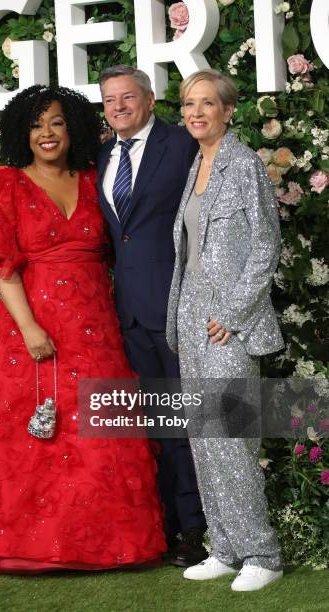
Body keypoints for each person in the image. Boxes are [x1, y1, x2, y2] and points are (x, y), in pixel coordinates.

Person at [0, 85, 166, 572]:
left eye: (56, 122)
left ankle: (101, 546)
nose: (46, 133)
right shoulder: (7, 186)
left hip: (96, 324)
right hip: (29, 325)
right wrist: (30, 327)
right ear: (21, 133)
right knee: (24, 436)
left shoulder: (98, 181)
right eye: (35, 125)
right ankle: (22, 547)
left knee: (100, 432)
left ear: (72, 128)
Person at [166, 69, 284, 591]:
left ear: (228, 110)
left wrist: (233, 315)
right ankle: (226, 547)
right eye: (189, 104)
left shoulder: (244, 166)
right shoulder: (197, 164)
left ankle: (263, 553)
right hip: (190, 315)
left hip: (227, 323)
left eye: (206, 104)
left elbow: (265, 247)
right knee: (203, 437)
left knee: (231, 436)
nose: (195, 113)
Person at [97, 65, 207, 567]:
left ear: (149, 100)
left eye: (127, 97)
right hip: (128, 314)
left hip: (177, 306)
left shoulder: (182, 145)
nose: (118, 107)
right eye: (109, 100)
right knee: (155, 423)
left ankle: (195, 529)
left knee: (190, 421)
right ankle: (163, 525)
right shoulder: (102, 155)